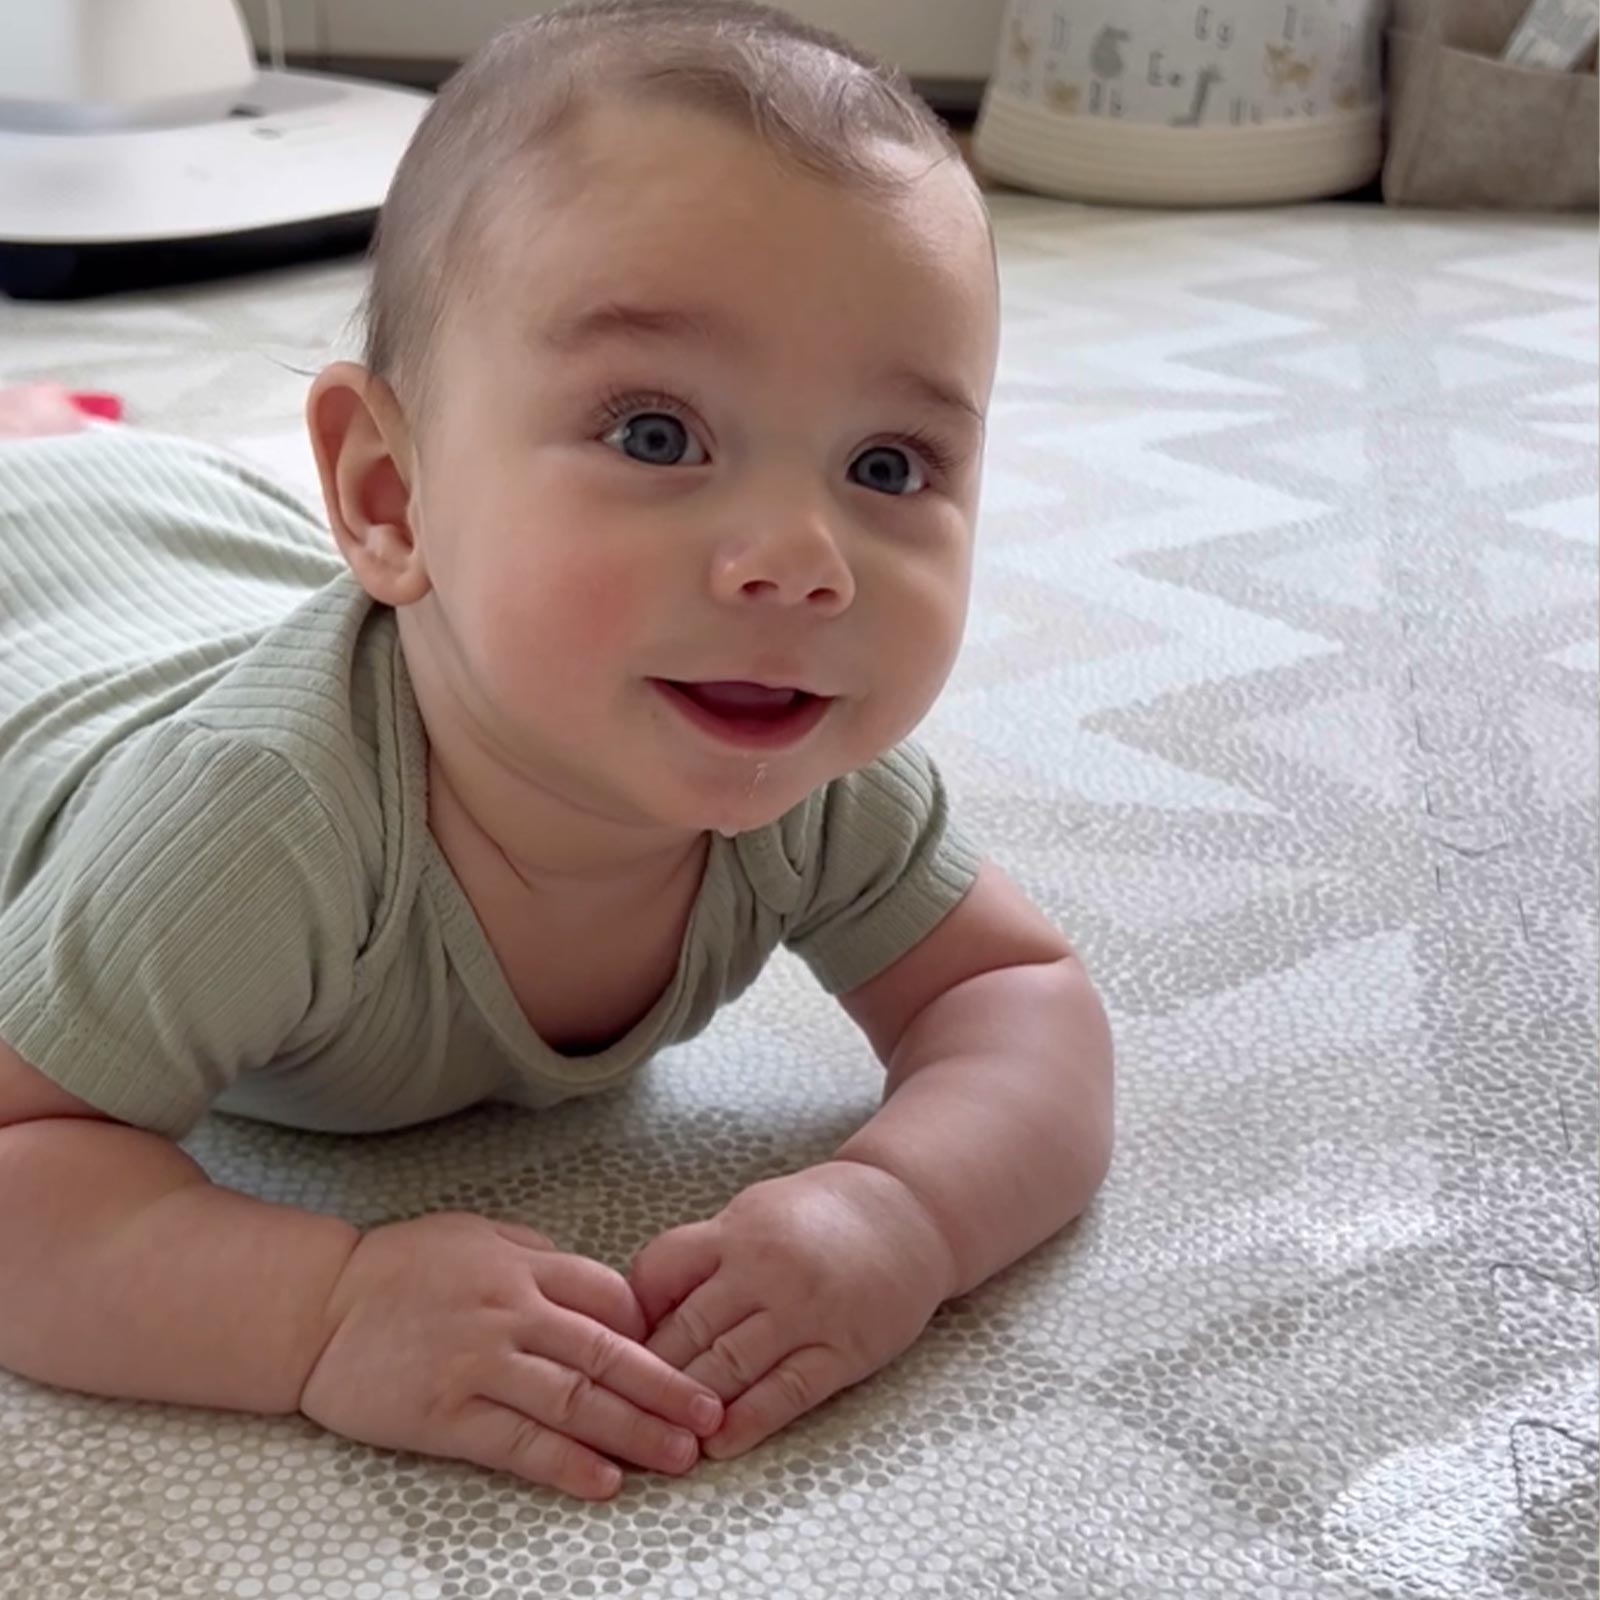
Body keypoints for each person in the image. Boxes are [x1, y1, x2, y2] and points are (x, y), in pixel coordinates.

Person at [0, 0, 1113, 1502]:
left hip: (220, 554)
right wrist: (318, 1310)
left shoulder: (820, 778)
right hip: (52, 598)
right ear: (390, 495)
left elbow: (1015, 995)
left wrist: (904, 1211)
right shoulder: (255, 819)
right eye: (658, 435)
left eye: (886, 466)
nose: (803, 562)